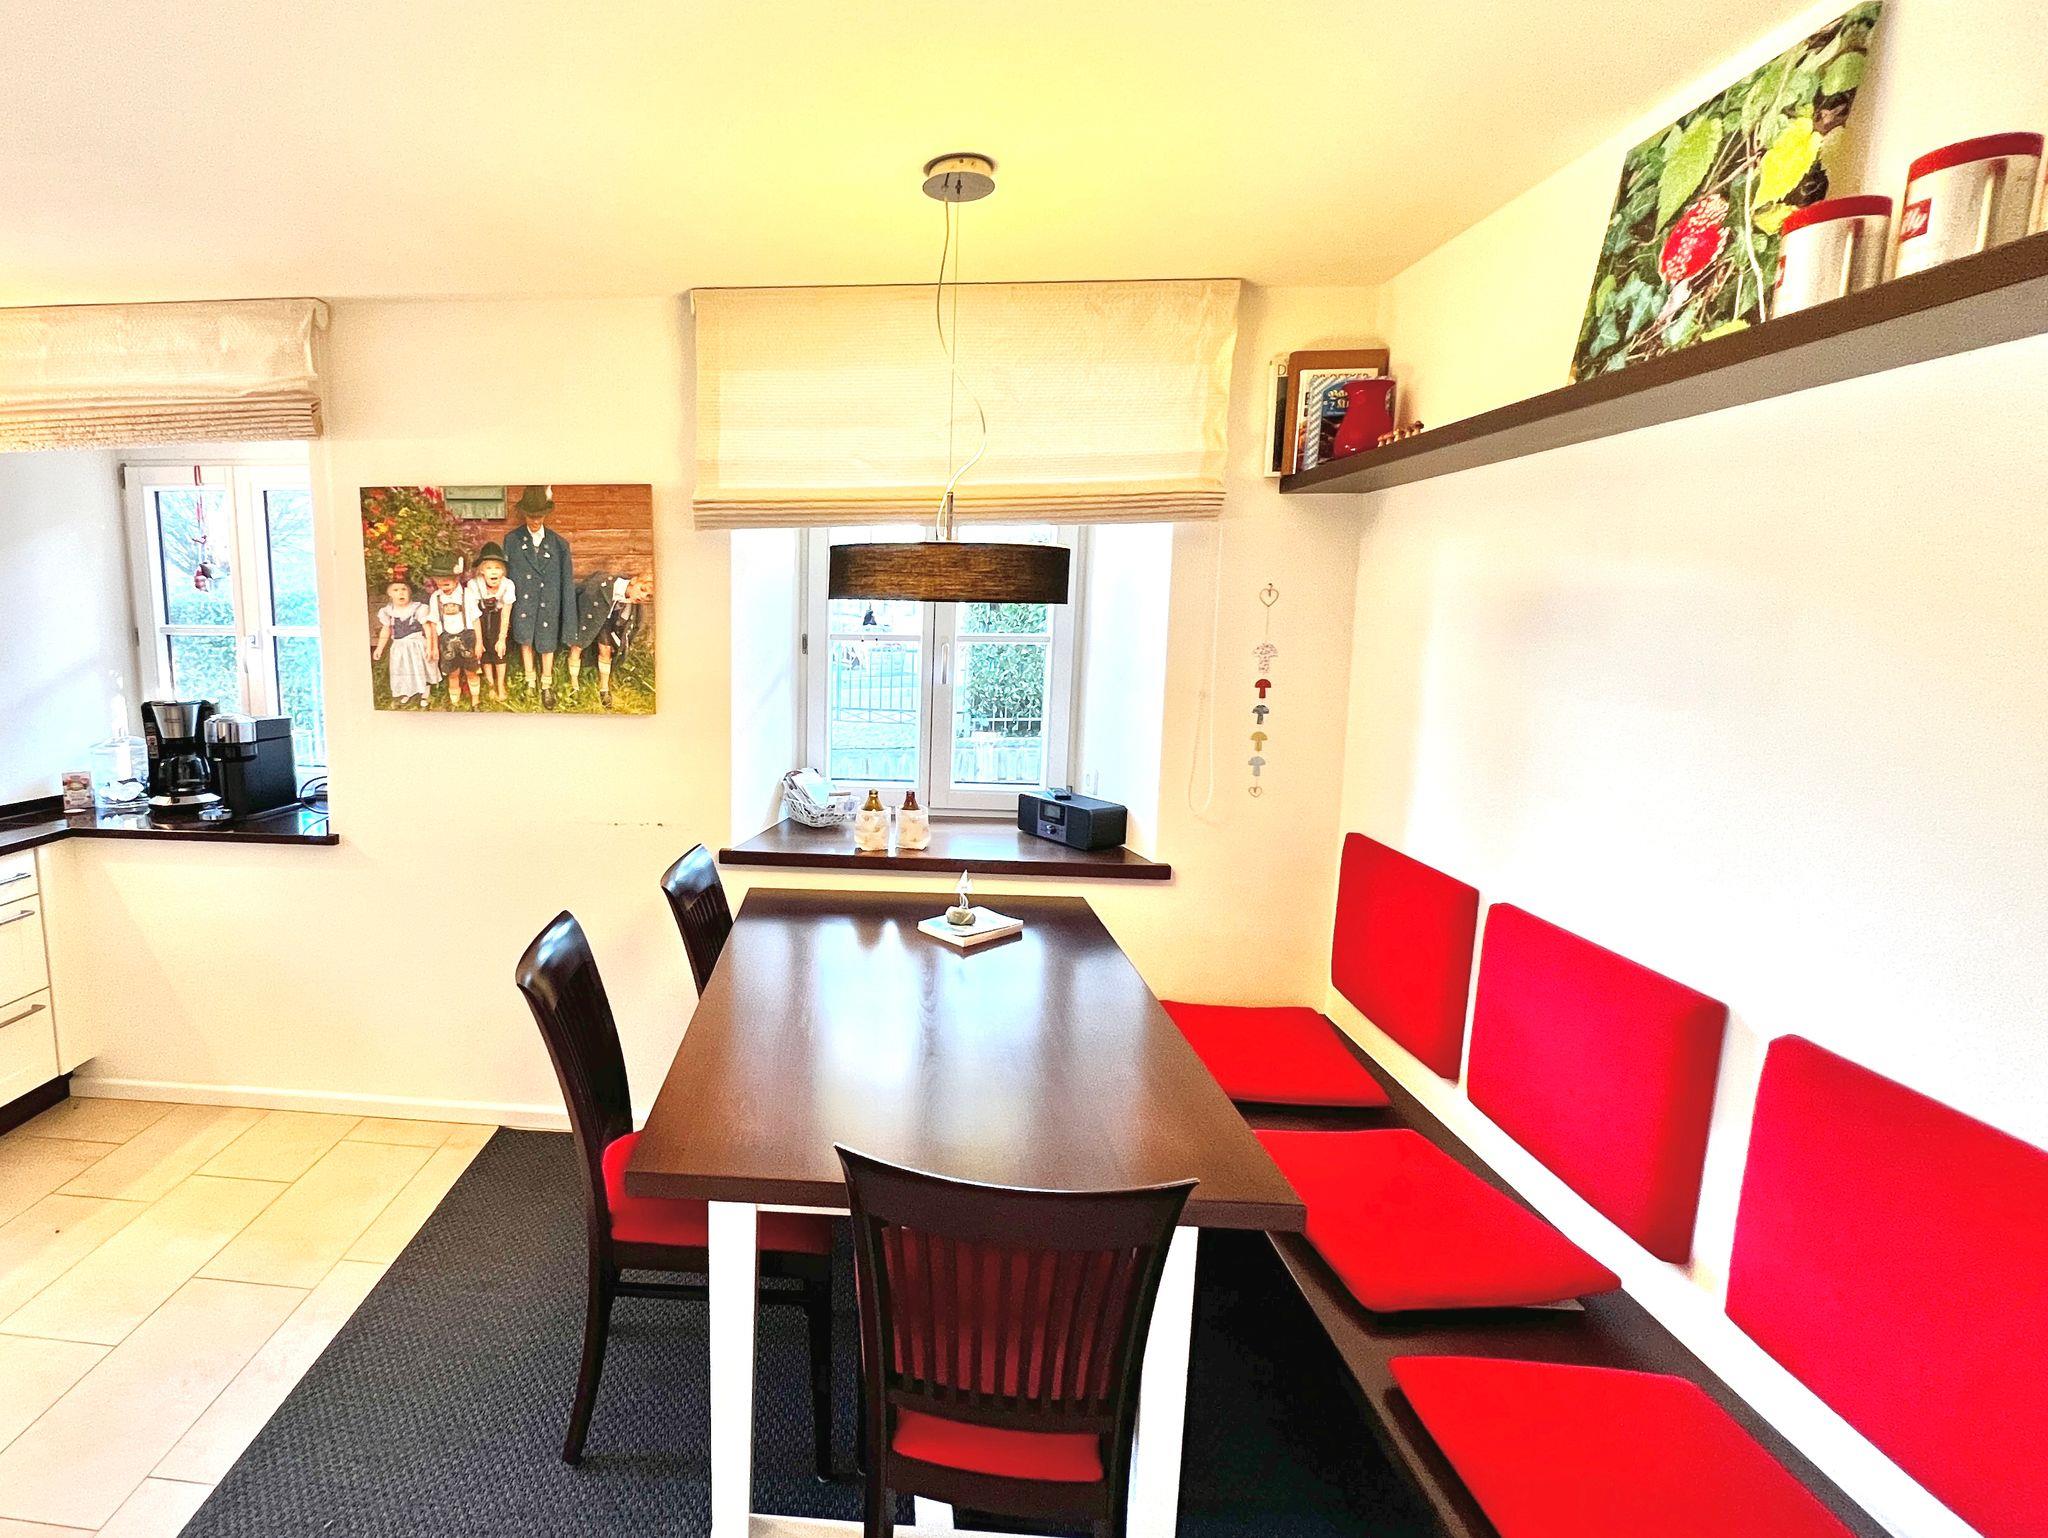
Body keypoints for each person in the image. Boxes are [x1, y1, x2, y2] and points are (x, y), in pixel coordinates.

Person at [503, 485, 576, 710]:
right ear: (524, 514)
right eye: (530, 516)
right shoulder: (512, 540)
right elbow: (506, 575)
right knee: (526, 641)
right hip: (524, 602)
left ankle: (546, 684)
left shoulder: (559, 544)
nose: (535, 521)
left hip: (548, 603)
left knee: (547, 644)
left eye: (539, 516)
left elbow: (566, 582)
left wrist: (567, 615)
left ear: (546, 515)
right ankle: (529, 681)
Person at [566, 571, 653, 710]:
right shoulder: (603, 584)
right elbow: (584, 593)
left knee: (606, 650)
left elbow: (632, 623)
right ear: (633, 581)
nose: (643, 596)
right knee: (577, 646)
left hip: (606, 620)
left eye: (648, 596)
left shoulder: (633, 604)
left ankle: (604, 689)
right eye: (642, 589)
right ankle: (574, 686)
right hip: (588, 614)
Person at [426, 560, 482, 710]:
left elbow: (476, 619)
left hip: (467, 637)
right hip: (446, 639)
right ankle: (455, 703)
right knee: (453, 673)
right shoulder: (436, 598)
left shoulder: (467, 595)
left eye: (447, 584)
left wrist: (479, 643)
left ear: (456, 579)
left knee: (471, 671)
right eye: (439, 585)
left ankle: (475, 701)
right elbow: (433, 623)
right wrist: (435, 647)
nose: (443, 588)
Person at [372, 578, 435, 708]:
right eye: (395, 590)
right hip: (399, 646)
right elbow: (386, 630)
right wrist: (379, 648)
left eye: (404, 589)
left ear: (410, 592)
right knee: (403, 668)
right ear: (389, 594)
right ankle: (408, 691)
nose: (400, 593)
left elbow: (427, 628)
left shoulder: (419, 608)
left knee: (420, 667)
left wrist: (430, 648)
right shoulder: (388, 611)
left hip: (416, 644)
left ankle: (425, 692)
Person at [471, 541, 516, 704]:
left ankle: (500, 684)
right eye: (489, 568)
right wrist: (479, 641)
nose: (494, 571)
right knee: (485, 653)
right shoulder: (474, 585)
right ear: (482, 570)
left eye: (497, 568)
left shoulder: (507, 585)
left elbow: (506, 612)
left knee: (499, 652)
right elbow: (474, 615)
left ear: (503, 571)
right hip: (481, 621)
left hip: (499, 620)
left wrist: (502, 638)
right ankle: (490, 684)